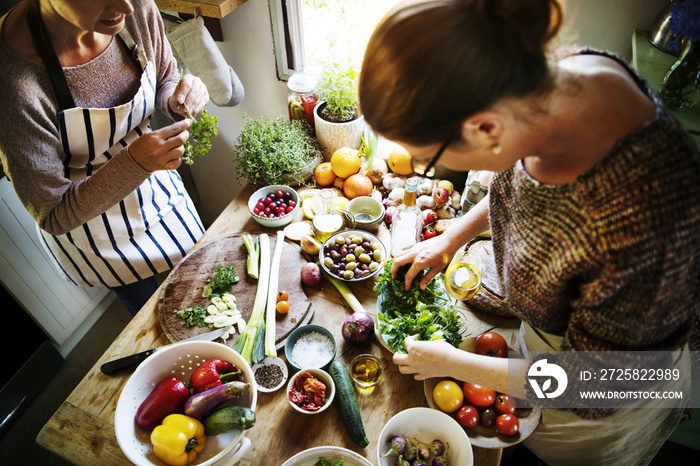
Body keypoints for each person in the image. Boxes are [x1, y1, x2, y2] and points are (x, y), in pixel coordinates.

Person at [359, 1, 700, 464]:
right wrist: (451, 237)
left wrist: (448, 362)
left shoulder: (639, 222)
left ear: (485, 127)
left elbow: (595, 386)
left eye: (428, 161)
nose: (427, 171)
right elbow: (517, 172)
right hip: (551, 338)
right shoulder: (539, 87)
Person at [0, 0, 208, 315]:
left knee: (206, 282)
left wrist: (178, 97)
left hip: (157, 189)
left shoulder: (135, 8)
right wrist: (135, 162)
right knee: (150, 315)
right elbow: (53, 213)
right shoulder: (12, 86)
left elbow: (164, 76)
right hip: (95, 229)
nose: (126, 6)